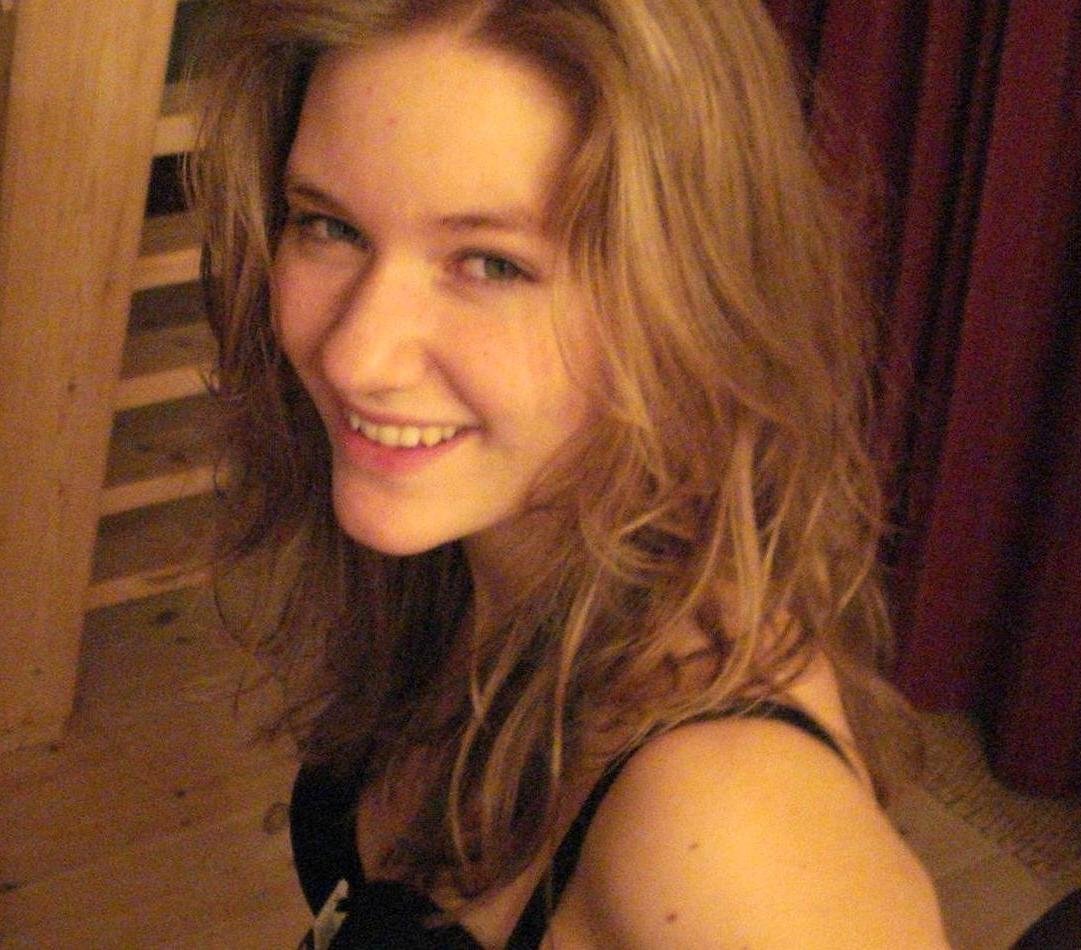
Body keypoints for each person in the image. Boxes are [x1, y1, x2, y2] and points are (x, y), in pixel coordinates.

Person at [189, 0, 948, 946]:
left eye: (491, 265)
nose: (354, 357)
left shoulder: (732, 839)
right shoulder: (482, 553)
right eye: (329, 226)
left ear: (691, 301)